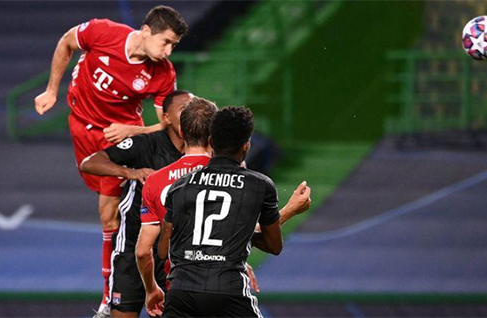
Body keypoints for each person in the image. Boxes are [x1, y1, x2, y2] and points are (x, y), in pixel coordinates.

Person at [34, 6, 188, 316]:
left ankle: (107, 298)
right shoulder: (103, 32)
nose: (168, 51)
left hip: (115, 139)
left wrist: (132, 129)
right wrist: (51, 90)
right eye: (166, 42)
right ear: (146, 32)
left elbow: (164, 123)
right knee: (99, 202)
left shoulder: (162, 72)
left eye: (174, 45)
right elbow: (66, 41)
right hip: (78, 124)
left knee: (107, 216)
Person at [157, 106, 312, 318]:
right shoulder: (259, 185)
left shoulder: (180, 186)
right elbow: (273, 245)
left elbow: (162, 250)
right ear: (247, 147)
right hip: (228, 292)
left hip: (180, 293)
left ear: (211, 142)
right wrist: (290, 210)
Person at [80, 90, 190, 318]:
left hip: (175, 254)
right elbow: (91, 162)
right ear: (166, 118)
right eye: (183, 109)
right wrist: (130, 172)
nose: (190, 114)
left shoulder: (200, 152)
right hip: (133, 245)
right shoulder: (145, 145)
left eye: (193, 110)